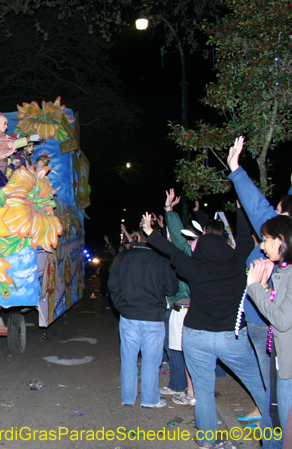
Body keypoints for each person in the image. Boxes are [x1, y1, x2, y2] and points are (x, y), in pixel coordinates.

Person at [142, 210, 266, 448]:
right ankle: (277, 423)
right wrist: (241, 210)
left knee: (203, 391)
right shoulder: (240, 263)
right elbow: (244, 239)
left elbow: (172, 251)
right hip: (232, 335)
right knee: (257, 383)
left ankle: (207, 439)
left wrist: (150, 231)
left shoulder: (194, 268)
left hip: (196, 336)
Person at [228, 135, 292, 434]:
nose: (264, 243)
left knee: (278, 400)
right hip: (262, 325)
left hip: (272, 331)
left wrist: (256, 286)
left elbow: (257, 209)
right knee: (274, 395)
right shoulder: (274, 250)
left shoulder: (282, 249)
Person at [108, 227, 178, 408]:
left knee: (129, 359)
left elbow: (112, 285)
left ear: (137, 237)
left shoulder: (123, 257)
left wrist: (120, 306)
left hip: (129, 315)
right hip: (153, 316)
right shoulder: (162, 259)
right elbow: (171, 288)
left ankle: (128, 398)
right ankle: (149, 399)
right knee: (151, 360)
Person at [247, 215, 292, 447]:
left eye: (265, 240)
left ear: (280, 240)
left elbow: (282, 321)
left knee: (285, 428)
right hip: (281, 360)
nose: (262, 246)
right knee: (274, 421)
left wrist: (254, 287)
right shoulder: (284, 271)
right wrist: (264, 287)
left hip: (289, 367)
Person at [160, 190, 196, 406]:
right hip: (184, 307)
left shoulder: (187, 252)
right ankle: (181, 386)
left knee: (182, 351)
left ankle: (186, 389)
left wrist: (169, 211)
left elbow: (178, 241)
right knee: (179, 350)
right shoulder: (196, 252)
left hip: (184, 307)